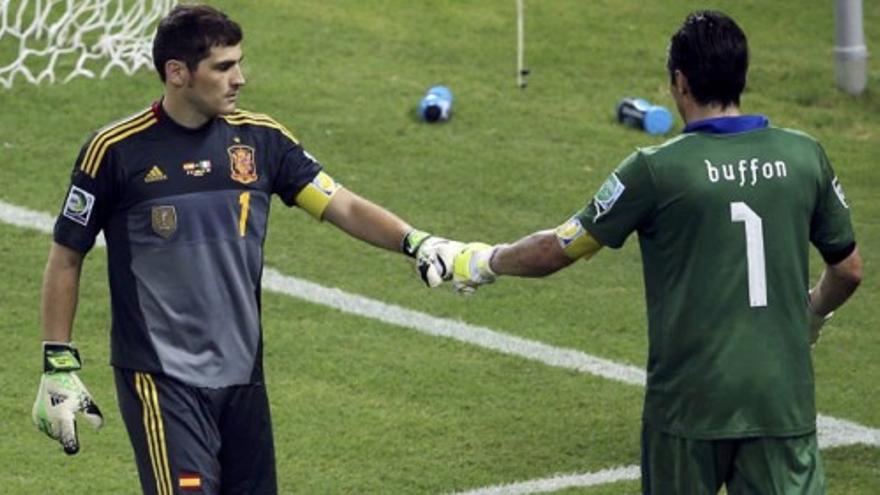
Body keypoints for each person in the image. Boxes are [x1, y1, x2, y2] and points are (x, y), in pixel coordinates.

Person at [31, 4, 458, 494]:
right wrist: (57, 364)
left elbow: (342, 205)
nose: (240, 79)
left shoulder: (260, 141)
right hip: (161, 378)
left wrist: (414, 241)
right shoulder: (115, 151)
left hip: (243, 378)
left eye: (239, 63)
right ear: (177, 73)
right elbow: (67, 256)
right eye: (223, 66)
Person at [444, 10, 862, 494]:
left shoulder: (656, 171)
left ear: (679, 82)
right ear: (741, 76)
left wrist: (483, 260)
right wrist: (810, 314)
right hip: (780, 400)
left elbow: (559, 248)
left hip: (689, 405)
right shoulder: (803, 154)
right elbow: (848, 271)